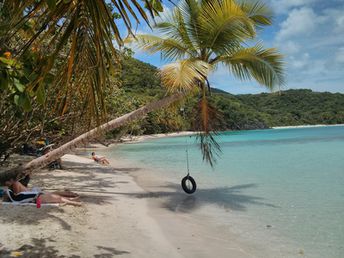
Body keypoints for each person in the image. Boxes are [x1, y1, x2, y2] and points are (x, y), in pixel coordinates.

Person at [4, 177, 81, 206]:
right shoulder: (15, 186)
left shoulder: (14, 185)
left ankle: (72, 199)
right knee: (56, 196)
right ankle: (72, 199)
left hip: (35, 195)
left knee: (56, 196)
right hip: (35, 195)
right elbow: (17, 195)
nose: (6, 184)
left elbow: (16, 194)